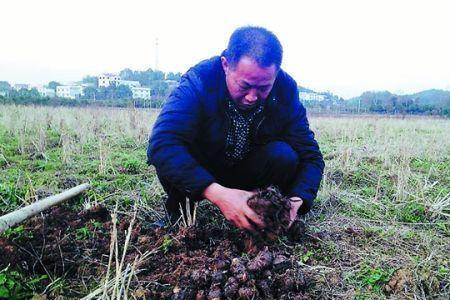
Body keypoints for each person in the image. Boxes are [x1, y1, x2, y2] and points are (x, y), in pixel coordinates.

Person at [147, 26, 324, 231]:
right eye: (244, 86)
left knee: (284, 156)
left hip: (247, 169)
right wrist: (218, 193)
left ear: (275, 76)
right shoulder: (199, 82)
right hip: (203, 166)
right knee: (173, 151)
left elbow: (311, 156)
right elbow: (161, 144)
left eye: (264, 88)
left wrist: (297, 199)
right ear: (226, 65)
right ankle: (179, 212)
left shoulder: (285, 91)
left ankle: (260, 213)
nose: (252, 97)